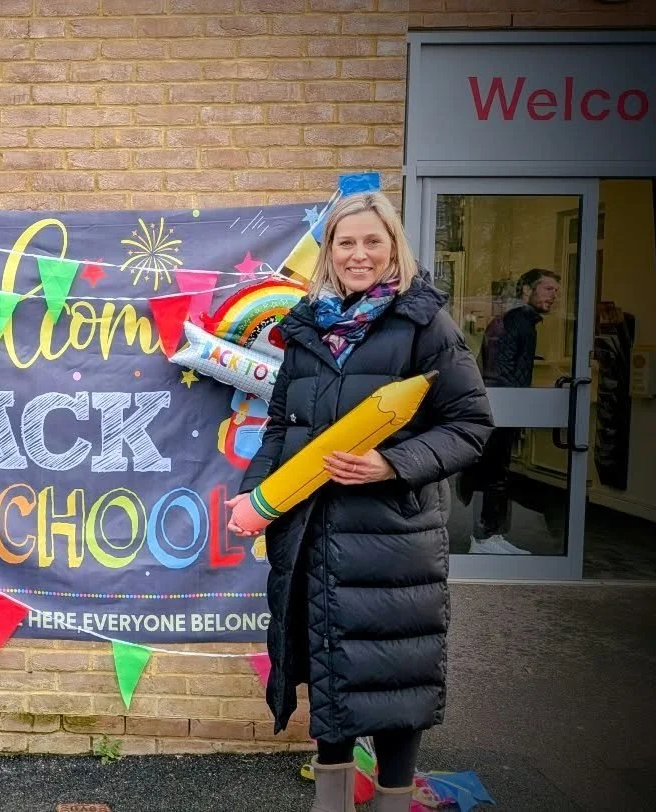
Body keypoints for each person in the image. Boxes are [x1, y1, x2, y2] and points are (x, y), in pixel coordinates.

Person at [228, 193, 493, 812]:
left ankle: (394, 800)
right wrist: (257, 498)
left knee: (395, 673)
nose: (359, 255)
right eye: (346, 242)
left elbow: (470, 424)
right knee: (328, 667)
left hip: (392, 540)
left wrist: (390, 463)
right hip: (314, 535)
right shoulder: (304, 329)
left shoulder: (424, 324)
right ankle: (331, 799)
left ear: (393, 246)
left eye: (373, 241)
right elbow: (280, 429)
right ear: (329, 251)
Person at [462, 268, 561, 554]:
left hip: (502, 408)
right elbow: (499, 371)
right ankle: (485, 537)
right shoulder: (515, 322)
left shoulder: (521, 322)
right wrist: (512, 406)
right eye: (547, 289)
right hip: (501, 409)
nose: (553, 296)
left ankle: (488, 535)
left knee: (495, 471)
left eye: (556, 290)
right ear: (526, 291)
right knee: (495, 472)